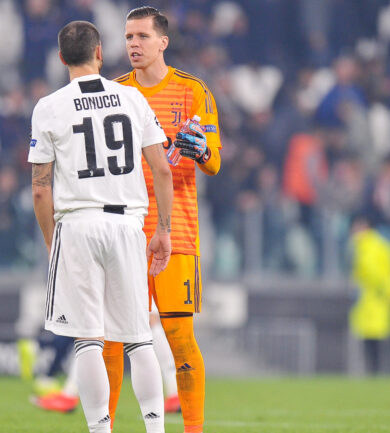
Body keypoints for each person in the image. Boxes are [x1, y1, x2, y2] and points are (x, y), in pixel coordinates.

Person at [29, 20, 174, 433]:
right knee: (139, 339)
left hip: (77, 225)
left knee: (88, 341)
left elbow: (41, 190)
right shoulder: (131, 98)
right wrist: (163, 229)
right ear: (99, 54)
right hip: (127, 224)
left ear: (61, 59)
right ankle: (155, 429)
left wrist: (52, 242)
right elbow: (161, 169)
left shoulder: (49, 107)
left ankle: (100, 429)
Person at [102, 7, 222, 433]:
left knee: (180, 339)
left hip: (178, 233)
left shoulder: (193, 91)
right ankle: (106, 427)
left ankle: (193, 430)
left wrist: (199, 150)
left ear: (162, 42)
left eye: (141, 36)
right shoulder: (113, 92)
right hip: (124, 231)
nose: (133, 44)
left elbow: (214, 164)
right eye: (128, 36)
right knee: (112, 340)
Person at [349, 214, 390, 374]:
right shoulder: (377, 246)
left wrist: (388, 292)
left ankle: (376, 374)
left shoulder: (369, 248)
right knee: (374, 342)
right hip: (375, 301)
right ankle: (376, 374)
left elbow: (378, 274)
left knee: (374, 344)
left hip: (374, 301)